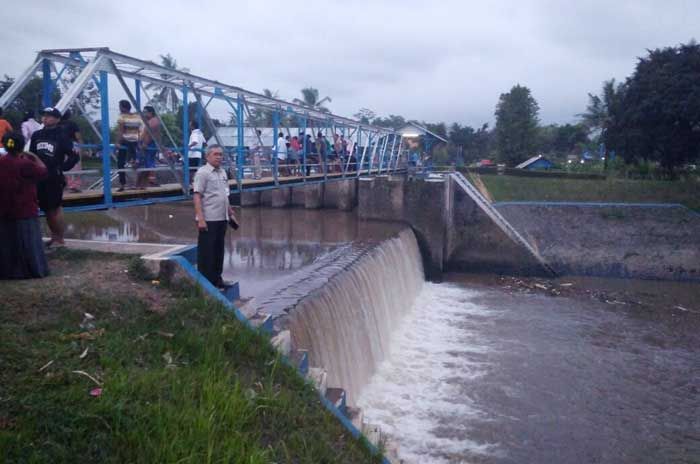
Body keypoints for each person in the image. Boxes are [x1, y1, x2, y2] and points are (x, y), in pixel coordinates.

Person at [0, 132, 49, 279]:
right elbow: (43, 171)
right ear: (21, 146)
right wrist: (35, 157)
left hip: (4, 210)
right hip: (25, 209)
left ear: (5, 145)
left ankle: (7, 271)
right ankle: (32, 270)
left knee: (6, 243)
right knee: (28, 242)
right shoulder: (26, 164)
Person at [29, 107, 79, 248]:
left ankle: (60, 238)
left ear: (57, 119)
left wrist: (62, 168)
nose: (45, 118)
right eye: (44, 115)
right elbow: (32, 154)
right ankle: (54, 236)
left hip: (54, 177)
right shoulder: (37, 135)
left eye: (50, 116)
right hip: (39, 177)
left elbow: (74, 155)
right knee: (46, 208)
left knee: (54, 207)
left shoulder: (62, 135)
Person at [193, 144, 237, 288]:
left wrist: (230, 213)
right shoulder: (202, 173)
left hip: (222, 218)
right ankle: (205, 284)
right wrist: (201, 219)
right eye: (216, 154)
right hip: (208, 219)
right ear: (207, 156)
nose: (219, 157)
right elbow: (197, 196)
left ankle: (217, 280)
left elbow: (225, 195)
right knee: (207, 252)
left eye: (221, 154)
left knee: (218, 250)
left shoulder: (223, 173)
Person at [116, 100, 142, 192]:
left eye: (120, 106)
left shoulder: (122, 117)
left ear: (123, 107)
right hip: (135, 141)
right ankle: (135, 184)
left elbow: (121, 131)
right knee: (134, 162)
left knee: (120, 162)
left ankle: (122, 184)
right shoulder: (137, 116)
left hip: (125, 141)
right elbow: (139, 130)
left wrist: (118, 142)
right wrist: (139, 141)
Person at [137, 106, 161, 189]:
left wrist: (145, 144)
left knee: (148, 162)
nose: (144, 114)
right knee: (147, 162)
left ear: (150, 113)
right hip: (149, 144)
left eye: (146, 112)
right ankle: (143, 182)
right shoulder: (151, 121)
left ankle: (151, 181)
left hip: (149, 144)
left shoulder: (153, 121)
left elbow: (150, 135)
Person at [60, 110, 83, 192]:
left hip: (61, 145)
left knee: (63, 165)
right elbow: (78, 137)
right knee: (75, 165)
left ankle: (64, 184)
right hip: (73, 146)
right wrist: (82, 147)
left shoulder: (57, 124)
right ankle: (74, 186)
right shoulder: (72, 124)